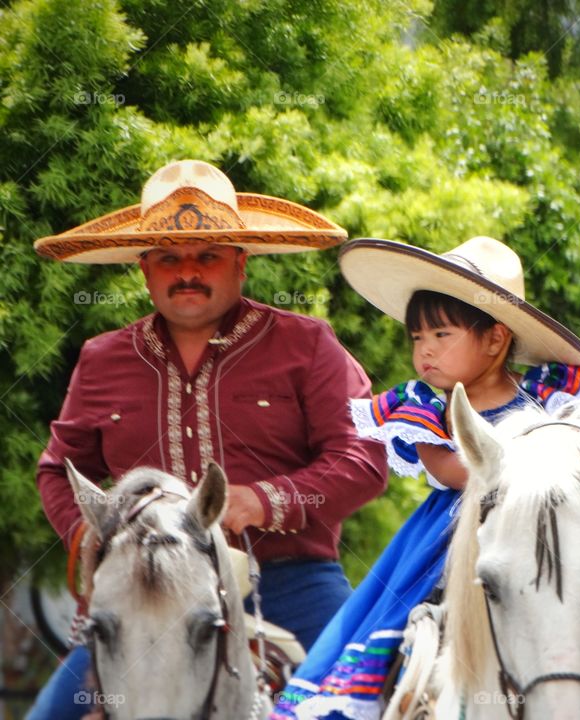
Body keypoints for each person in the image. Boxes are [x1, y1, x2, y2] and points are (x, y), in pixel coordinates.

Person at [271, 235, 580, 719]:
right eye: (418, 339)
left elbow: (575, 455)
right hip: (459, 522)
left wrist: (543, 472)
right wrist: (523, 465)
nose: (425, 352)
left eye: (441, 336)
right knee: (382, 616)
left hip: (550, 506)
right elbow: (450, 470)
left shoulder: (549, 391)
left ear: (495, 338)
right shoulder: (425, 405)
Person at [28, 160, 389, 719]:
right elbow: (56, 470)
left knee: (358, 703)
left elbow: (363, 459)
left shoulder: (307, 344)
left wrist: (264, 501)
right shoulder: (103, 360)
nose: (187, 272)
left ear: (241, 262)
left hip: (289, 580)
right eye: (169, 258)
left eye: (208, 255)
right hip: (142, 595)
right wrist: (90, 538)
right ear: (145, 270)